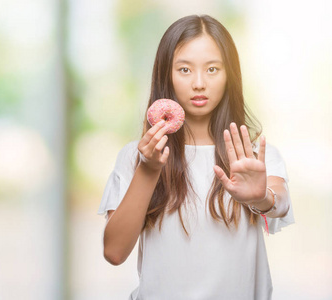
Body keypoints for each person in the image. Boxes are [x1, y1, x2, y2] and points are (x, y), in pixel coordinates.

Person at [97, 14, 294, 300]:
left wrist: (260, 197)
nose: (199, 83)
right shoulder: (135, 157)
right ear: (167, 75)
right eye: (185, 70)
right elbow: (114, 252)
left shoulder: (252, 156)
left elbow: (280, 202)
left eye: (212, 69)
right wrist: (149, 170)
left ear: (230, 75)